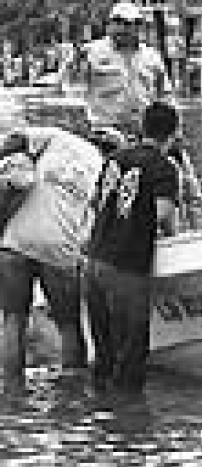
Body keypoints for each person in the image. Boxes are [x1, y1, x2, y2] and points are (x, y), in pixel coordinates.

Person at [0, 102, 105, 385]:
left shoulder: (53, 138)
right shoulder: (98, 162)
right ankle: (73, 391)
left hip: (15, 242)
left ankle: (11, 390)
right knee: (69, 323)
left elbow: (14, 139)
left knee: (13, 319)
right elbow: (98, 212)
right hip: (60, 248)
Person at [85, 102, 179, 393]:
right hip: (127, 268)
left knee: (104, 355)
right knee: (130, 358)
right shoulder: (164, 167)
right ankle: (129, 416)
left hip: (95, 262)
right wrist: (173, 238)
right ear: (173, 134)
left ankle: (99, 413)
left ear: (142, 127)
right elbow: (162, 213)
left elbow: (95, 202)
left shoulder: (114, 158)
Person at [63, 2, 173, 136]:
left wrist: (173, 129)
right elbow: (71, 89)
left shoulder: (152, 56)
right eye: (117, 22)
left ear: (138, 26)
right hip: (102, 130)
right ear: (109, 24)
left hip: (143, 131)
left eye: (128, 23)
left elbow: (165, 95)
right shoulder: (90, 52)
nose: (122, 28)